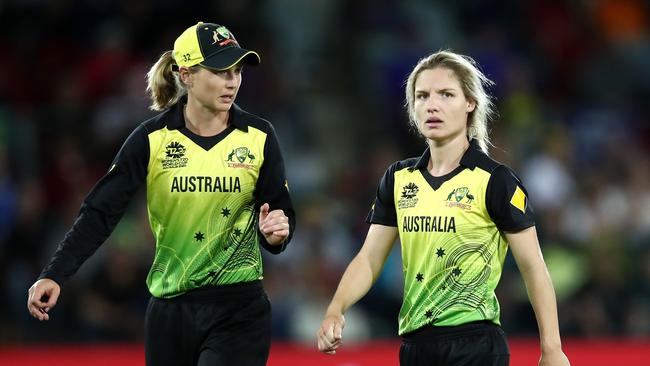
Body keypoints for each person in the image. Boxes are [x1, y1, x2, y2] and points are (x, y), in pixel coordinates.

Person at [27, 21, 295, 366]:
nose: (232, 81)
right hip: (170, 311)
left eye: (237, 70)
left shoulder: (260, 136)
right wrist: (55, 273)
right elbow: (100, 212)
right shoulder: (151, 139)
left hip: (239, 309)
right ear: (186, 75)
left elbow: (281, 215)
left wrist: (275, 235)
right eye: (219, 71)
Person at [317, 50, 570, 366]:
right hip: (415, 347)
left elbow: (533, 266)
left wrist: (551, 348)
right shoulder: (397, 179)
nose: (432, 105)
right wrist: (335, 309)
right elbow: (369, 258)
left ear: (470, 104)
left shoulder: (495, 180)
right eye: (422, 96)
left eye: (446, 94)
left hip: (476, 345)